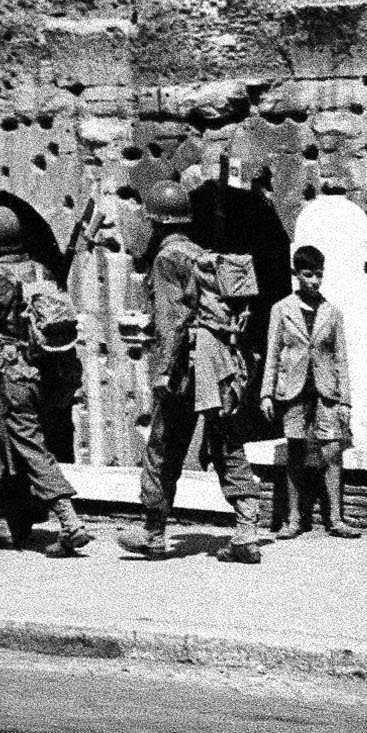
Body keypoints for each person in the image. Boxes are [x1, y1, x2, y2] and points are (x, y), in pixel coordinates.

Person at [118, 180, 268, 563]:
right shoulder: (202, 255)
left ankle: (153, 533)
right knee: (226, 442)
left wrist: (165, 371)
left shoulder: (168, 258)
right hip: (219, 362)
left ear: (157, 221)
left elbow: (173, 321)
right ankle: (247, 530)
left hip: (187, 364)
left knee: (163, 445)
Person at [0, 207, 96, 555]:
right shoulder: (41, 270)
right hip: (47, 372)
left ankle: (69, 521)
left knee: (29, 446)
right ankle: (9, 526)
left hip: (12, 376)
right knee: (12, 446)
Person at [264, 243, 359, 540]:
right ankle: (293, 520)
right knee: (295, 452)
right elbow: (272, 353)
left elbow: (341, 358)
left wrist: (345, 400)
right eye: (308, 275)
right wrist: (266, 393)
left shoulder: (332, 312)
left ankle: (336, 519)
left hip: (325, 391)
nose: (315, 281)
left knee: (332, 452)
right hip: (293, 391)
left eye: (319, 274)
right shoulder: (282, 309)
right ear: (296, 274)